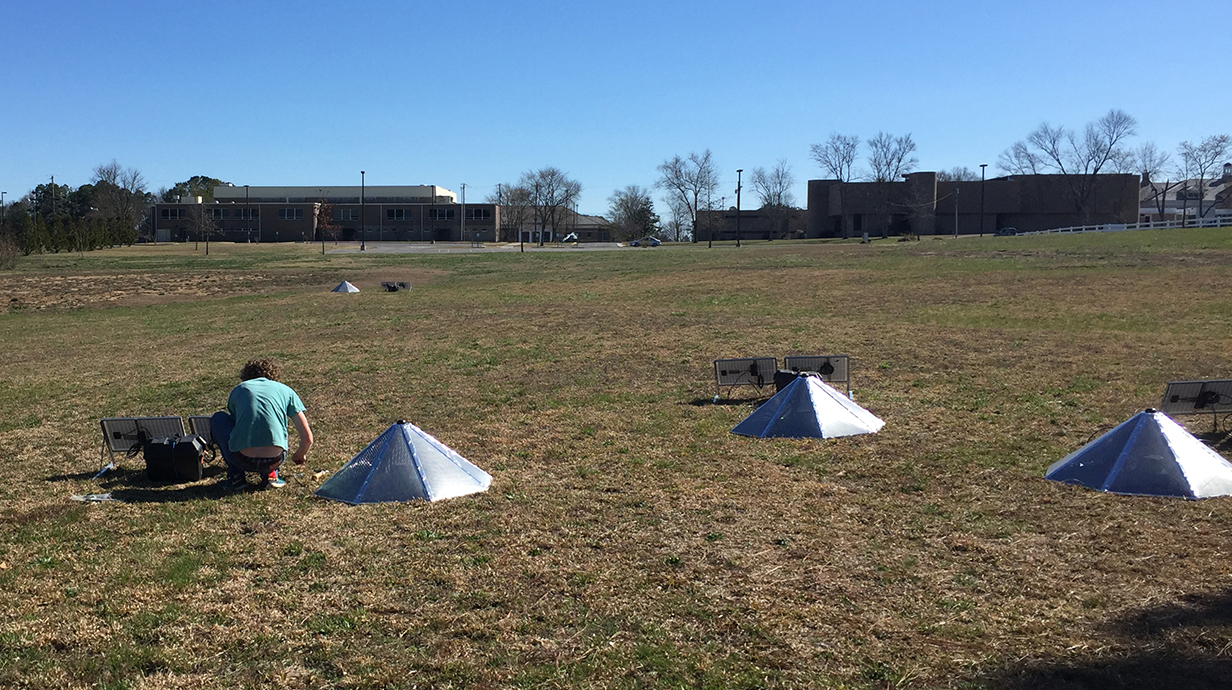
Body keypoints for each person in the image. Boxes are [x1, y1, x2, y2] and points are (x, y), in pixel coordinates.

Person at [210, 359, 313, 490]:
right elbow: (307, 439)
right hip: (275, 460)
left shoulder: (240, 389)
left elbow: (238, 425)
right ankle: (271, 473)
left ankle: (236, 477)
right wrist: (300, 454)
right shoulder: (286, 391)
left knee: (219, 418)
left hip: (241, 459)